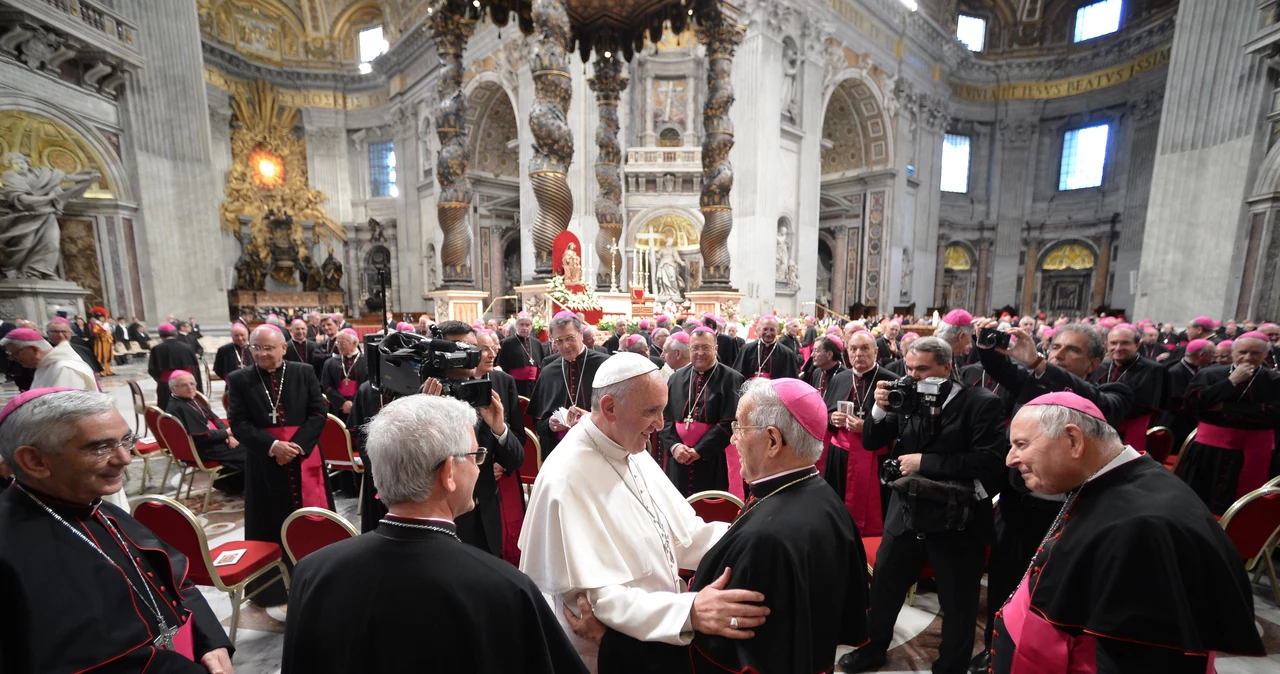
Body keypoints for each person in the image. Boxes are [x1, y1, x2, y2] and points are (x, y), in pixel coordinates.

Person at [571, 378, 870, 674]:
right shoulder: (827, 501)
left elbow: (708, 664)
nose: (733, 438)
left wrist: (607, 641)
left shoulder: (763, 542)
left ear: (772, 441)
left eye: (739, 427)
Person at [281, 394, 588, 674]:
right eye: (475, 456)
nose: (479, 468)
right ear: (448, 473)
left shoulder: (311, 571)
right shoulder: (505, 588)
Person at [520, 352, 757, 673]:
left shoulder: (628, 445)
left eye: (662, 410)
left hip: (654, 638)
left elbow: (681, 535)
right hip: (605, 652)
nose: (661, 424)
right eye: (651, 412)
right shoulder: (566, 477)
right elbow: (594, 600)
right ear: (609, 408)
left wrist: (749, 536)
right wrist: (689, 611)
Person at [993, 391, 1265, 672]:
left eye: (1021, 444)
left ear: (1074, 441)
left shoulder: (1147, 528)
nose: (1010, 459)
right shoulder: (1108, 482)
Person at [0, 388, 234, 673]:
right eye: (101, 447)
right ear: (35, 461)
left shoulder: (94, 505)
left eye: (126, 440)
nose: (125, 458)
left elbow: (174, 581)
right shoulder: (11, 551)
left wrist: (210, 639)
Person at [840, 337, 1005, 674]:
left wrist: (924, 461)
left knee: (958, 602)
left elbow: (989, 463)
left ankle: (951, 665)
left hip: (956, 517)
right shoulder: (906, 395)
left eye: (923, 369)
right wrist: (880, 407)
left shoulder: (980, 402)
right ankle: (873, 649)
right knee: (884, 589)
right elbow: (872, 440)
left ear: (947, 367)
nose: (913, 376)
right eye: (909, 368)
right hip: (906, 512)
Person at [226, 324, 330, 607]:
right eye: (256, 348)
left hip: (304, 456)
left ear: (284, 348)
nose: (261, 354)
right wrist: (273, 447)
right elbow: (238, 423)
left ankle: (321, 579)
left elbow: (319, 412)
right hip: (265, 462)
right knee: (269, 522)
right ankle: (272, 589)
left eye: (268, 348)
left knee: (312, 521)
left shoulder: (303, 372)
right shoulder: (239, 379)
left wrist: (295, 446)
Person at [423, 321, 524, 557]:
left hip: (484, 514)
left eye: (472, 348)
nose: (469, 356)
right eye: (459, 349)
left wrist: (499, 428)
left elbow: (515, 460)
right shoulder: (421, 395)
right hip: (438, 515)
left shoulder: (485, 393)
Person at [1178, 331, 1280, 514]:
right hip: (1209, 451)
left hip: (1257, 450)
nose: (1248, 357)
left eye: (1256, 353)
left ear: (1265, 355)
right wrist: (1231, 382)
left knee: (1248, 509)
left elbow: (1275, 412)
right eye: (1242, 352)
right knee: (1199, 500)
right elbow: (1192, 404)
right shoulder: (1209, 374)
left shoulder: (1274, 380)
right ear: (1233, 353)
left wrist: (1224, 408)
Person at [823, 331, 896, 537]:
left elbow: (897, 423)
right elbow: (826, 410)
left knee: (874, 511)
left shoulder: (890, 381)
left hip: (875, 455)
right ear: (847, 352)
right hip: (841, 457)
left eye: (864, 348)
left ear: (875, 351)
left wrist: (867, 427)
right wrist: (832, 418)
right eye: (853, 349)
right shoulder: (840, 378)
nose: (858, 354)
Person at [661, 328, 745, 497]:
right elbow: (665, 418)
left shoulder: (732, 378)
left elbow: (730, 422)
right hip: (678, 459)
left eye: (705, 348)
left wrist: (699, 450)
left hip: (714, 459)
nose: (700, 353)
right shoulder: (676, 378)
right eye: (695, 348)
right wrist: (675, 447)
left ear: (715, 349)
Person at [528, 312, 609, 457]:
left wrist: (591, 419)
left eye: (570, 338)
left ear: (581, 334)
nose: (565, 346)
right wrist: (550, 425)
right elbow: (538, 423)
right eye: (559, 340)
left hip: (600, 449)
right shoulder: (548, 372)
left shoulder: (605, 364)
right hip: (560, 452)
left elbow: (621, 414)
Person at [1091, 323, 1167, 453]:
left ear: (1137, 345)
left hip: (1130, 428)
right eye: (1113, 343)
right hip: (1099, 426)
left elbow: (1145, 405)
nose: (1118, 348)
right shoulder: (1102, 366)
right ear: (1106, 344)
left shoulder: (1153, 369)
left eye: (1125, 343)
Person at [165, 371, 245, 493]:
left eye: (192, 383)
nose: (190, 387)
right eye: (184, 385)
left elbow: (214, 418)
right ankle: (237, 486)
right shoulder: (179, 407)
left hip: (213, 442)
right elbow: (201, 436)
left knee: (247, 443)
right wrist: (227, 434)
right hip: (205, 449)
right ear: (173, 388)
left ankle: (233, 485)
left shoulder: (191, 400)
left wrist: (228, 434)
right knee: (252, 448)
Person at [1, 327, 97, 392]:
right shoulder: (45, 365)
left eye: (16, 353)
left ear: (34, 350)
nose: (11, 358)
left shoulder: (65, 369)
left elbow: (65, 412)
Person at [149, 322, 201, 409]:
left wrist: (162, 380)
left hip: (166, 385)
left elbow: (152, 370)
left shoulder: (156, 349)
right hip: (187, 385)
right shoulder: (187, 347)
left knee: (167, 410)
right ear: (175, 333)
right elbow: (194, 367)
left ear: (160, 335)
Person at [319, 329, 367, 417]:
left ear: (355, 343)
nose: (339, 346)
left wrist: (353, 403)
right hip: (338, 407)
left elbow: (368, 385)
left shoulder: (367, 362)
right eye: (337, 343)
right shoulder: (330, 363)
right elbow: (326, 385)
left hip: (361, 406)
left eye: (343, 343)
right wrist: (342, 403)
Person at [498, 312, 547, 397]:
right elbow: (502, 366)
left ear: (531, 327)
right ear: (516, 326)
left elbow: (541, 364)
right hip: (516, 385)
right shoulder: (507, 343)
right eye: (522, 325)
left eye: (527, 325)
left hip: (534, 385)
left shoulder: (536, 343)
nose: (525, 328)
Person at [736, 315, 798, 380]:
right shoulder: (747, 349)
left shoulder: (787, 354)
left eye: (772, 330)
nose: (768, 333)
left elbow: (791, 381)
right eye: (765, 329)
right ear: (759, 330)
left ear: (777, 331)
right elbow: (738, 376)